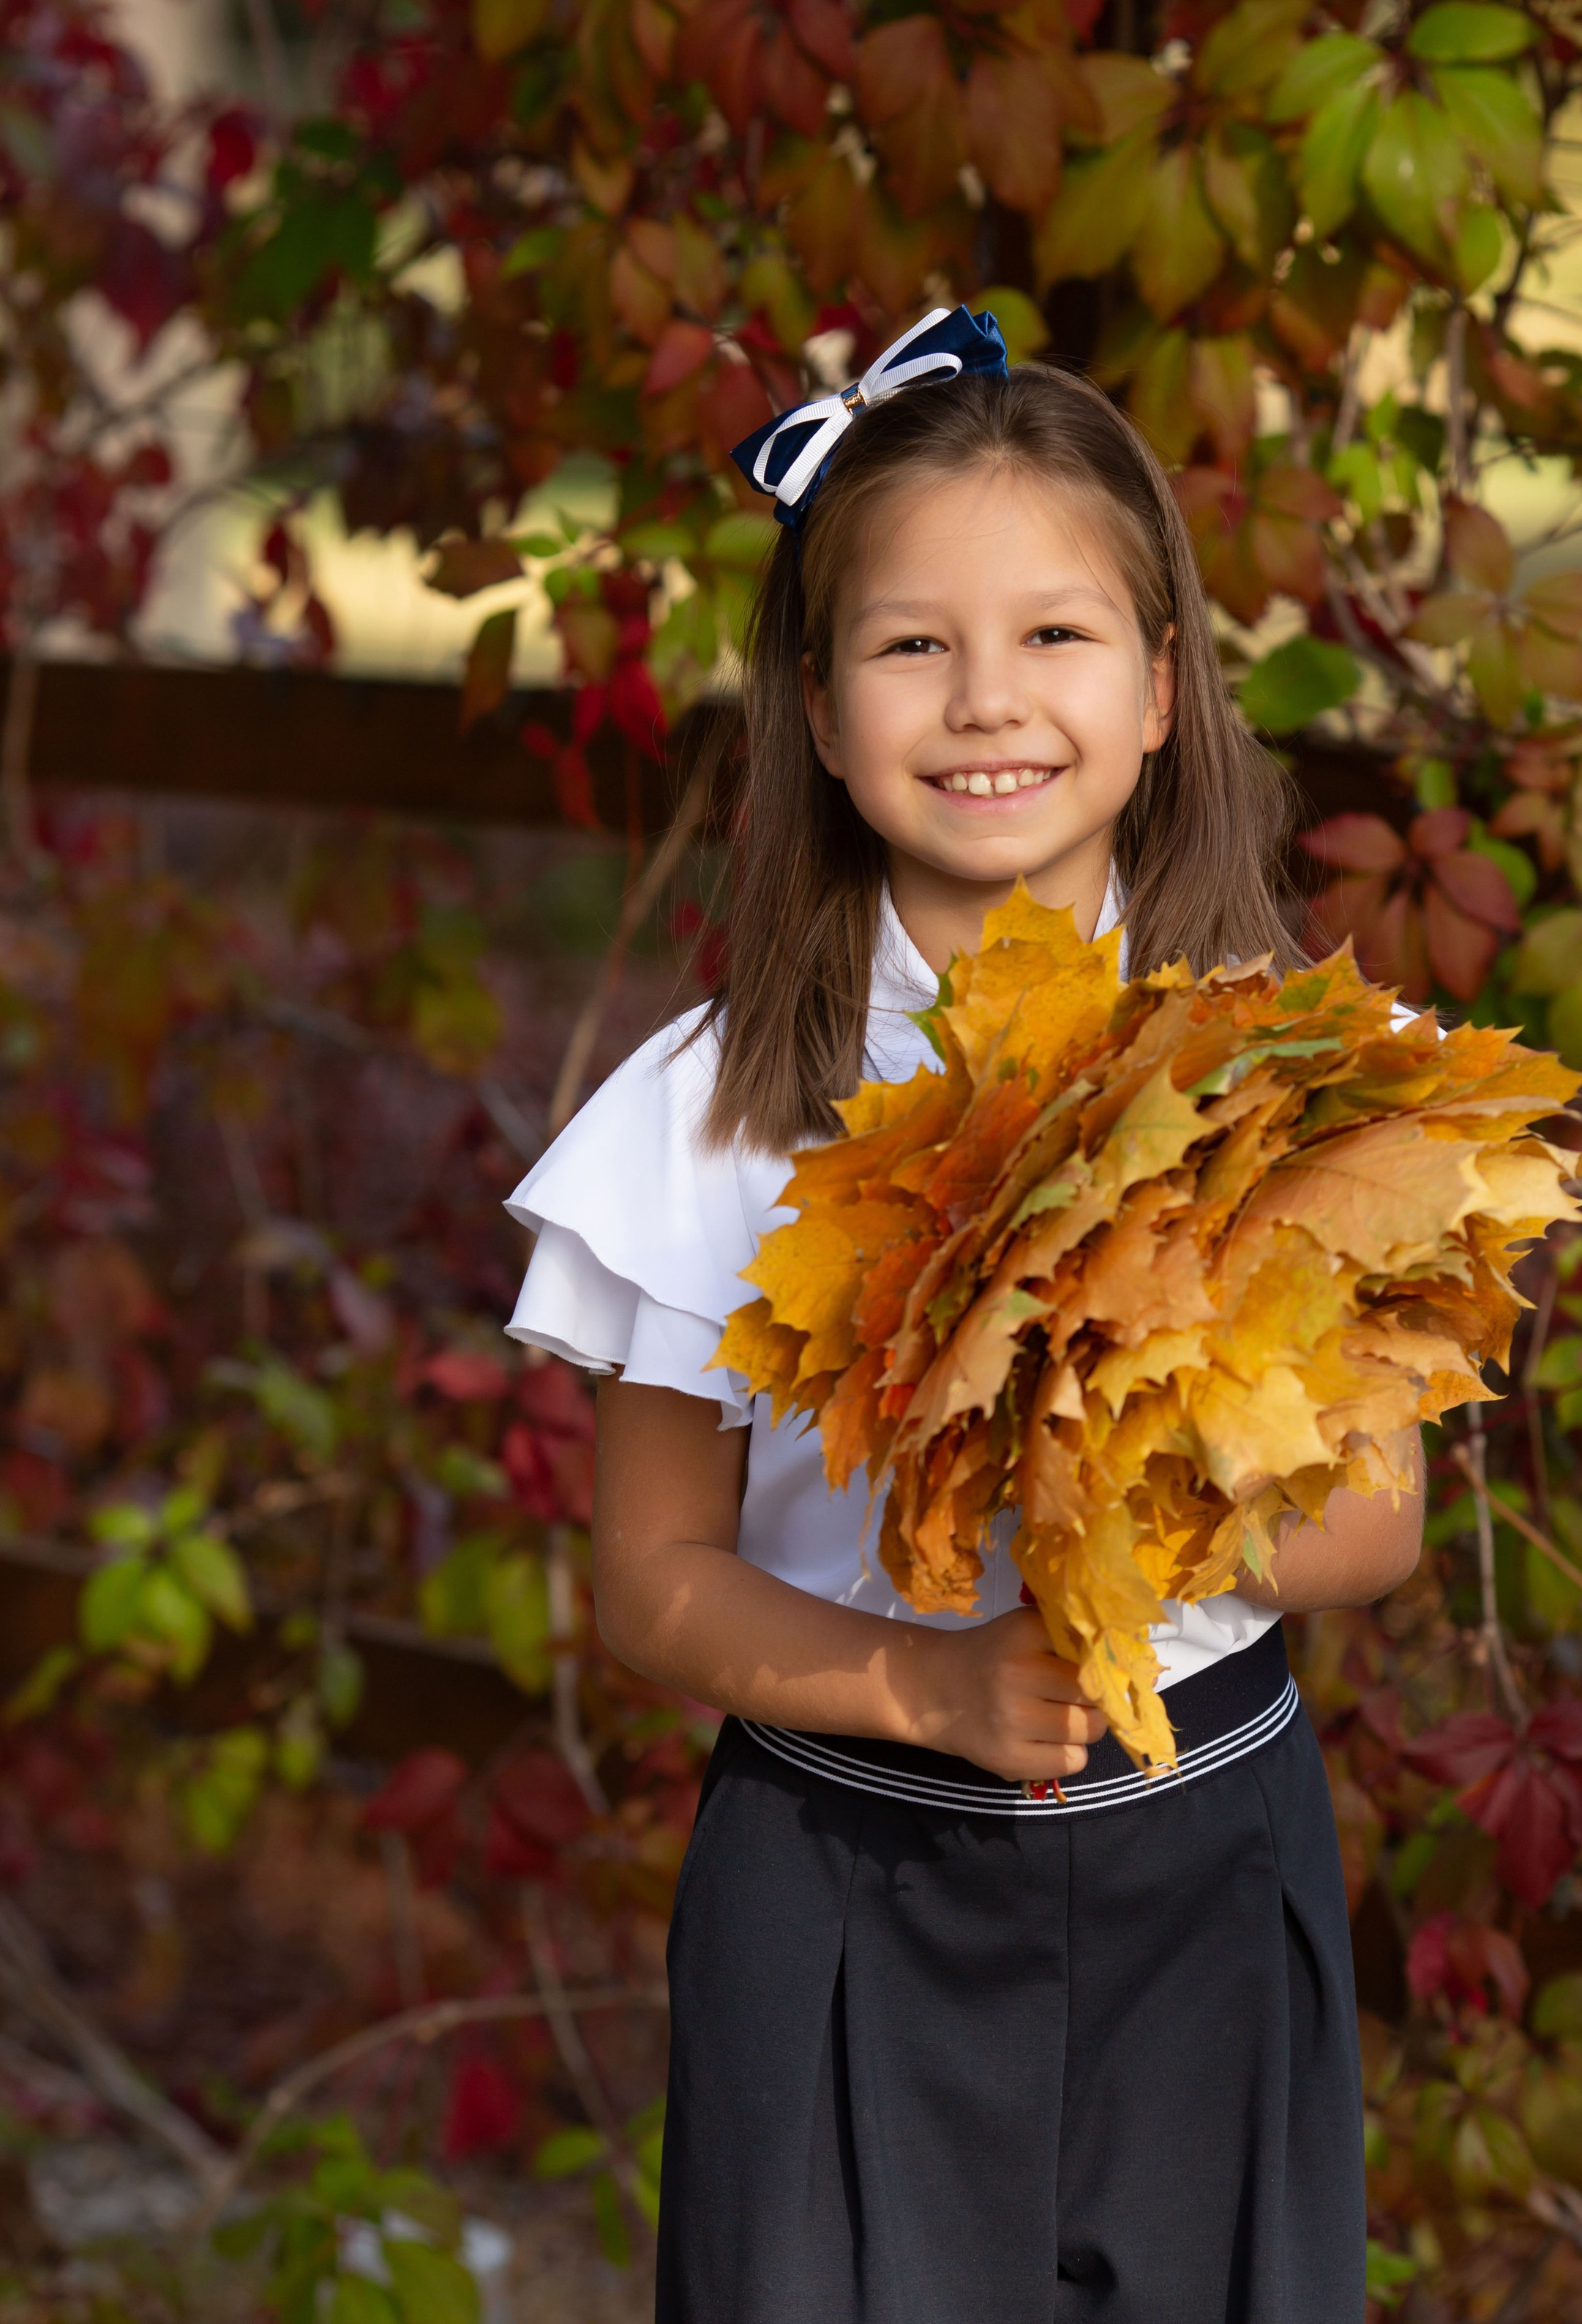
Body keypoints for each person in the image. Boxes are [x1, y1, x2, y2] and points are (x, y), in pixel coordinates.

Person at [505, 307, 1426, 2324]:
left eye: (1056, 637)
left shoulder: (1292, 1082)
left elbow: (1372, 1526)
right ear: (821, 716)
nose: (984, 700)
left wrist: (1126, 1438)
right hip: (846, 1887)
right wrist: (924, 1686)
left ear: (1166, 688)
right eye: (912, 644)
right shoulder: (722, 1113)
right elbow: (652, 1589)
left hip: (1210, 1860)